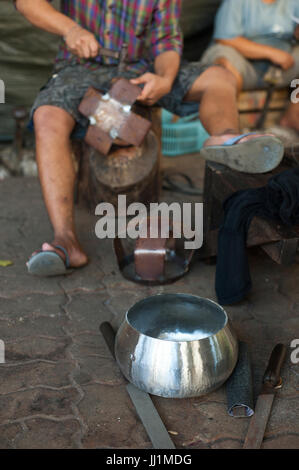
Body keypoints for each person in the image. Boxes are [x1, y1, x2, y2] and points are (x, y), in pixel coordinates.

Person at [15, 0, 284, 276]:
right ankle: (66, 241)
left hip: (140, 70)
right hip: (79, 70)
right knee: (47, 117)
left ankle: (225, 138)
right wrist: (69, 29)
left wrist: (166, 79)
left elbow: (166, 41)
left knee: (219, 77)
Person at [201, 0, 299, 131]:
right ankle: (229, 132)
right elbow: (224, 38)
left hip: (279, 68)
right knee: (224, 60)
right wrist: (271, 53)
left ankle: (291, 118)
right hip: (242, 64)